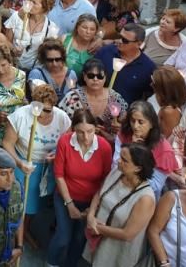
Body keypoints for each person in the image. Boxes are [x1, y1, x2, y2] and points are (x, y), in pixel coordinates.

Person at [49, 108, 114, 267]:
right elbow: (59, 175)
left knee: (79, 238)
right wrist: (69, 204)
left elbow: (104, 181)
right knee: (63, 236)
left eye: (90, 131)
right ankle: (51, 262)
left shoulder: (104, 148)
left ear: (96, 129)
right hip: (65, 196)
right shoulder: (64, 142)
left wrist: (91, 210)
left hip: (90, 201)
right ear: (73, 130)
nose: (86, 137)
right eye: (80, 132)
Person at [2, 83, 70, 222]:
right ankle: (16, 231)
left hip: (48, 167)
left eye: (47, 110)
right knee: (20, 202)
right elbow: (7, 143)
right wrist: (19, 163)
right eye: (38, 109)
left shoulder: (62, 118)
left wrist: (57, 155)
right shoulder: (20, 116)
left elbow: (67, 143)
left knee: (37, 204)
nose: (41, 114)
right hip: (23, 162)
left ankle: (26, 229)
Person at [84, 143, 156, 267]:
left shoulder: (145, 198)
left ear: (138, 168)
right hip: (98, 238)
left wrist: (96, 227)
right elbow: (99, 194)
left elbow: (128, 234)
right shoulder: (117, 172)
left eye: (124, 160)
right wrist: (91, 216)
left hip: (117, 250)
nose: (118, 161)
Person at [116, 100, 179, 196]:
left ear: (151, 124)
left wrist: (136, 151)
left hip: (143, 195)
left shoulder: (164, 149)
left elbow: (155, 186)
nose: (135, 126)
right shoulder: (124, 134)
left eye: (141, 122)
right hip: (118, 185)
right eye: (133, 121)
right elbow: (115, 165)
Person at [95, 22, 156, 105]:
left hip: (122, 114)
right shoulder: (106, 52)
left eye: (125, 40)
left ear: (139, 44)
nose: (119, 41)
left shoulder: (148, 68)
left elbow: (149, 96)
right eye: (119, 36)